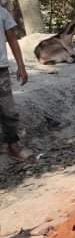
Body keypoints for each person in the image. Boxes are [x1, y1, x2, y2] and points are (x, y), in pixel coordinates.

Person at [0, 9, 28, 162]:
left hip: (1, 69)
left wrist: (21, 66)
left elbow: (12, 40)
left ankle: (13, 145)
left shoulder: (3, 13)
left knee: (8, 110)